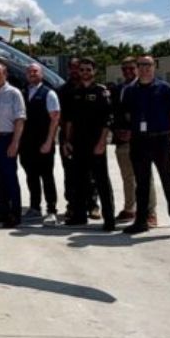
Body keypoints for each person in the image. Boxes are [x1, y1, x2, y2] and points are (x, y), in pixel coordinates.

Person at [122, 56, 170, 241]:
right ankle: (141, 221)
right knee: (141, 184)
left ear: (154, 67)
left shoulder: (164, 88)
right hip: (139, 142)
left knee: (169, 183)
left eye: (148, 65)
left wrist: (168, 133)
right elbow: (127, 114)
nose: (144, 69)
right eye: (141, 65)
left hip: (161, 141)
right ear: (137, 68)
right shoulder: (130, 91)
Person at [62, 58, 115, 231]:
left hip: (96, 144)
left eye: (88, 70)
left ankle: (109, 220)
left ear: (94, 72)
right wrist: (67, 141)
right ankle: (79, 216)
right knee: (79, 181)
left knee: (101, 182)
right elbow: (69, 120)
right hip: (78, 144)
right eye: (82, 70)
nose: (85, 72)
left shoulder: (101, 92)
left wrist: (102, 143)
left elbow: (108, 120)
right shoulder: (75, 92)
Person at [111, 57, 157, 226]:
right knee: (127, 177)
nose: (128, 71)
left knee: (145, 177)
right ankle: (130, 208)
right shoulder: (118, 89)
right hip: (121, 141)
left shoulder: (147, 88)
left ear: (138, 68)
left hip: (142, 140)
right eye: (125, 69)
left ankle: (150, 213)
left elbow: (150, 115)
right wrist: (117, 131)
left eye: (131, 68)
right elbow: (114, 114)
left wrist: (134, 132)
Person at [0, 61, 25, 228]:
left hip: (8, 139)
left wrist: (15, 143)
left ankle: (15, 214)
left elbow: (20, 120)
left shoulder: (14, 93)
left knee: (10, 178)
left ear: (5, 74)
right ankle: (3, 210)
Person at [20, 62, 60, 225]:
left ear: (41, 74)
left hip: (43, 143)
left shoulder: (49, 94)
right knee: (31, 177)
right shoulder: (22, 93)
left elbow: (55, 118)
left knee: (47, 177)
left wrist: (49, 141)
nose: (32, 74)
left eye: (35, 71)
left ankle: (51, 210)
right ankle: (35, 207)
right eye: (29, 72)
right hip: (26, 144)